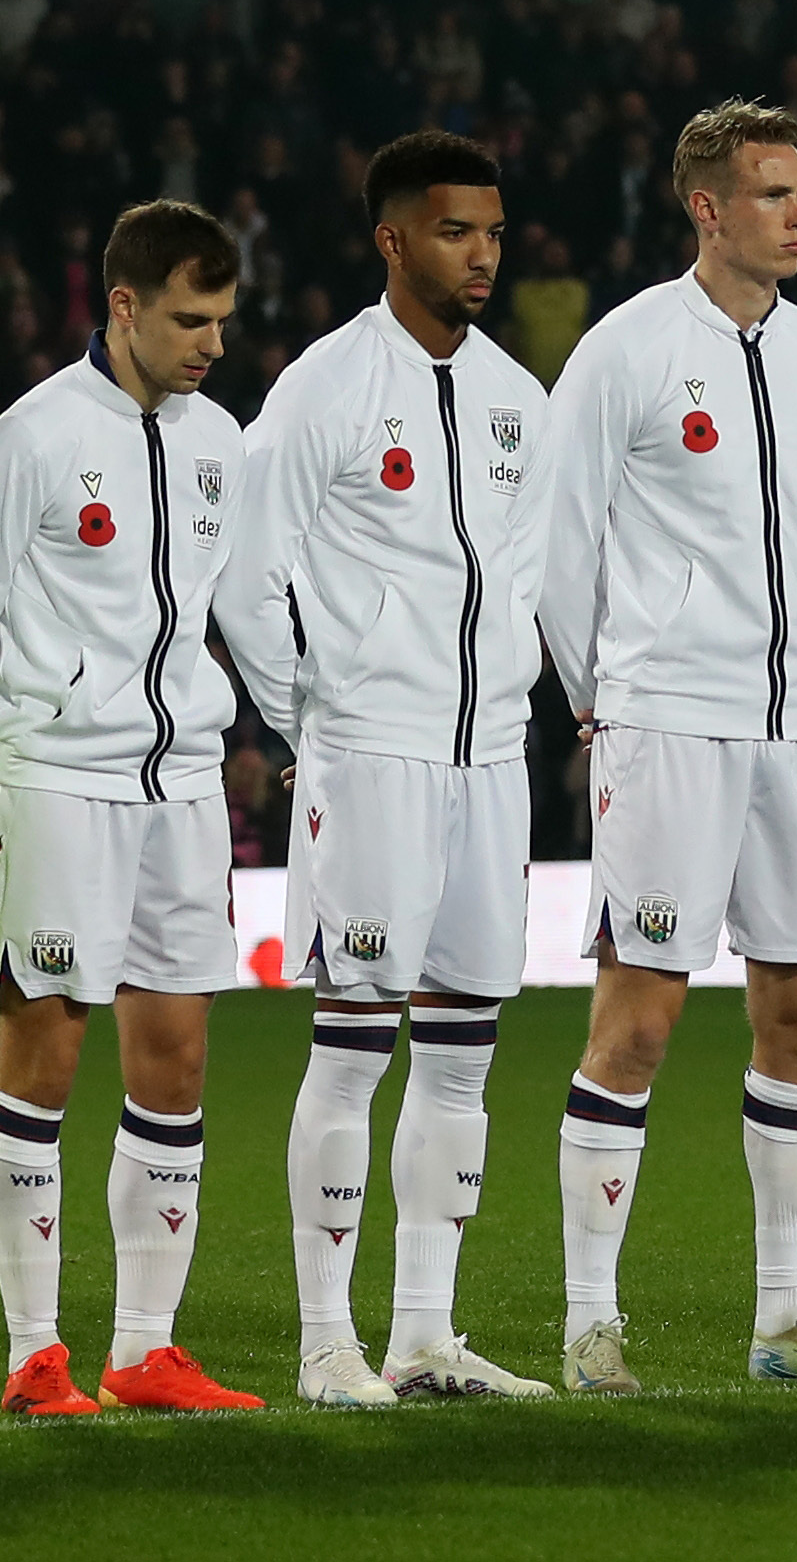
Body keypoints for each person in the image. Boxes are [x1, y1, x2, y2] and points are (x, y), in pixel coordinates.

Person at [533, 98, 797, 1393]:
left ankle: (787, 1317)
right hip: (664, 718)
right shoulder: (625, 350)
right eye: (770, 191)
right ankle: (590, 1319)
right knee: (635, 1020)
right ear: (704, 206)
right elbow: (555, 541)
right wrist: (605, 693)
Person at [219, 131, 558, 1407]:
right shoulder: (323, 387)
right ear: (392, 238)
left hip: (489, 754)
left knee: (464, 1047)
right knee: (354, 1043)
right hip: (373, 754)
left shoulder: (520, 397)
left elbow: (527, 574)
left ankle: (425, 1332)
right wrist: (317, 717)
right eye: (455, 230)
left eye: (492, 230)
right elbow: (248, 575)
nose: (481, 252)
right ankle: (323, 1342)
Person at [0, 199, 264, 1418]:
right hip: (61, 777)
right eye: (188, 318)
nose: (210, 342)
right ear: (120, 304)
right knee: (47, 1048)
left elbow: (224, 601)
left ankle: (145, 1347)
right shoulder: (27, 439)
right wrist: (12, 742)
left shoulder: (220, 438)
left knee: (174, 1055)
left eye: (222, 318)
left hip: (180, 783)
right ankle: (33, 1350)